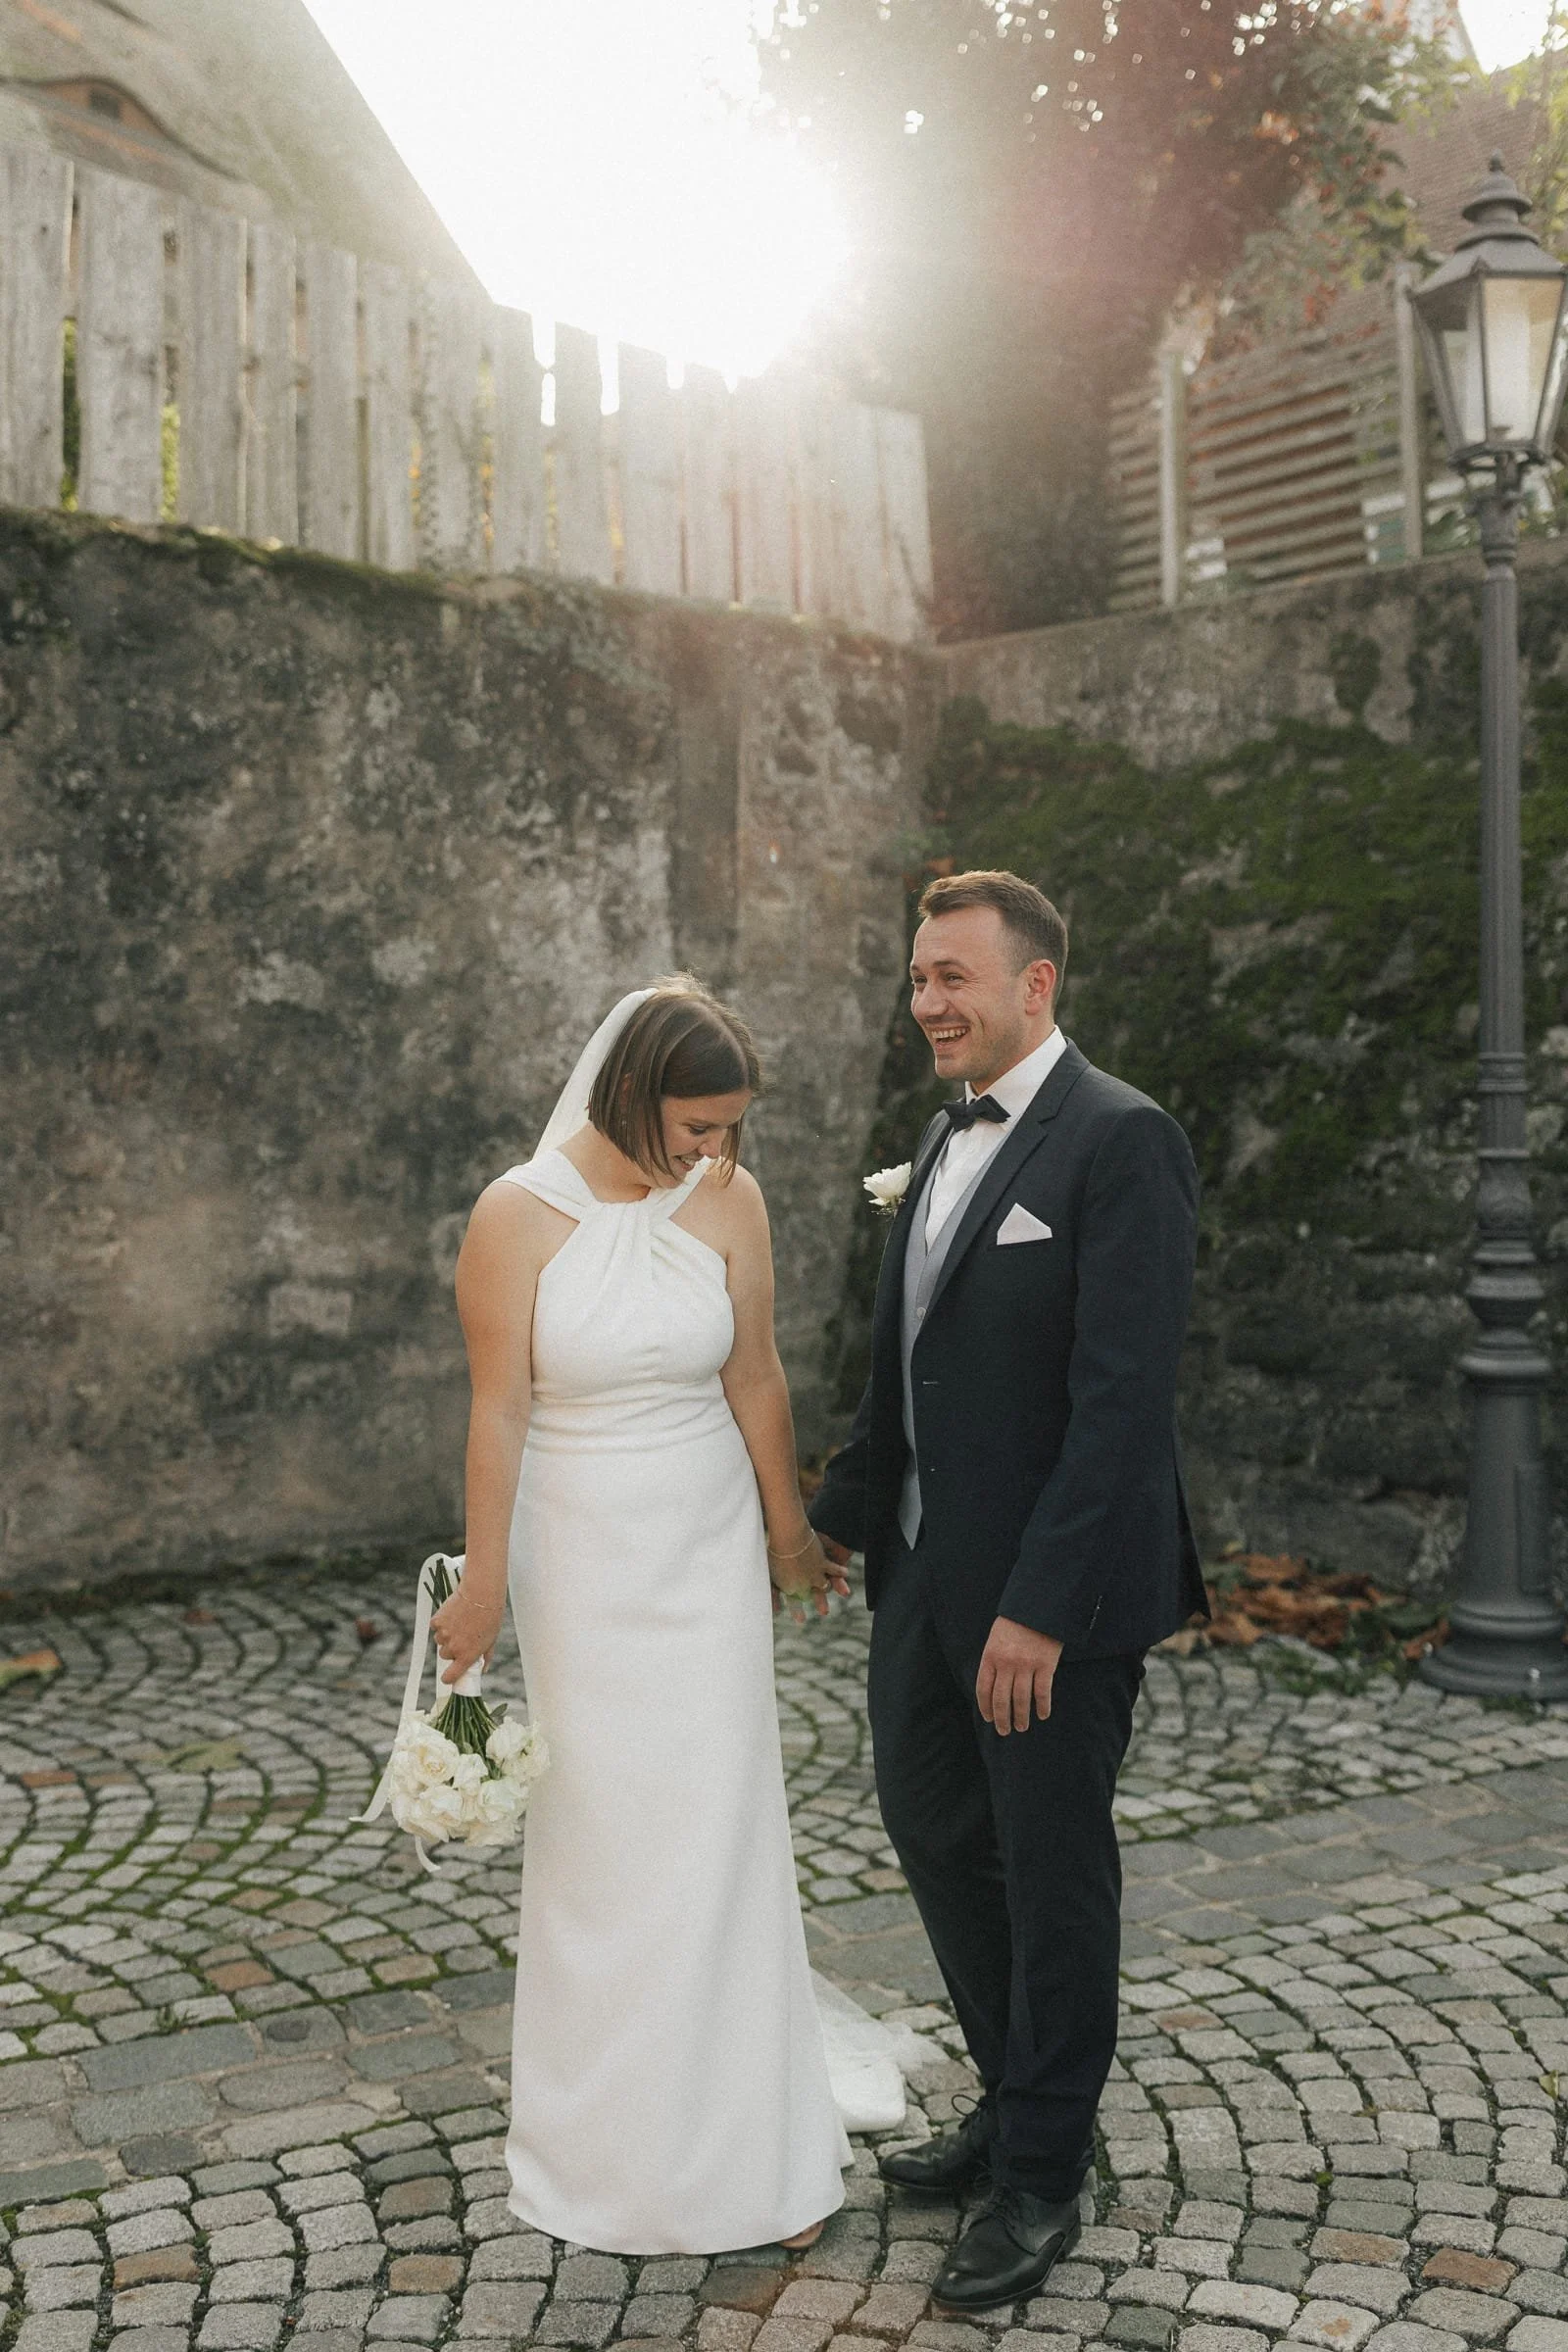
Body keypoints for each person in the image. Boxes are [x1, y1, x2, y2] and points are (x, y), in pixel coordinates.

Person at [810, 869, 1205, 2312]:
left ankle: (1043, 2165)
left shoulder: (1124, 1140)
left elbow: (1122, 1402)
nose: (928, 1002)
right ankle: (1014, 2089)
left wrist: (1037, 1604)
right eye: (918, 977)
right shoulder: (937, 1132)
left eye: (953, 977)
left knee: (1052, 1866)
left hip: (1057, 1596)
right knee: (927, 1820)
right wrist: (846, 1513)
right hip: (922, 1571)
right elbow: (903, 1350)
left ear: (1036, 985)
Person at [429, 977, 852, 2257]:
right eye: (697, 1123)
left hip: (708, 1544)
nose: (715, 1148)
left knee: (720, 1822)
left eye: (730, 1126)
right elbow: (497, 1408)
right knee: (608, 1834)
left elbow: (755, 1368)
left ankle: (749, 2141)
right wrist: (484, 1585)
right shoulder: (518, 1216)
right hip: (584, 1549)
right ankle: (608, 2147)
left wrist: (787, 1531)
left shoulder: (731, 1201)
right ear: (630, 1092)